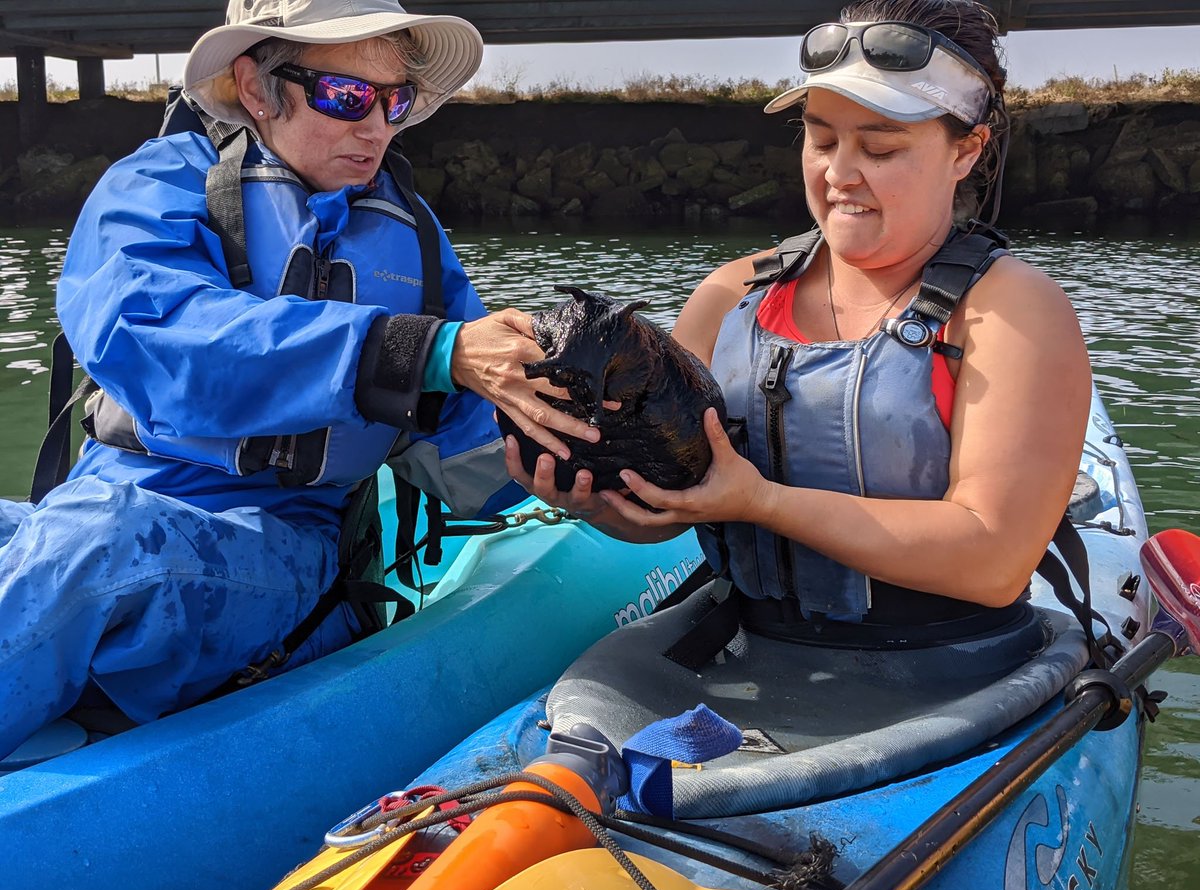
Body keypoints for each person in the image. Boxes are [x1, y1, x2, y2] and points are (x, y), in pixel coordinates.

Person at [0, 0, 601, 759]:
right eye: (348, 97)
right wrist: (410, 350)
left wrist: (573, 461)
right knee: (89, 538)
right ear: (256, 87)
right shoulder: (154, 187)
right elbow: (151, 336)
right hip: (102, 503)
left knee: (94, 554)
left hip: (283, 545)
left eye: (397, 101)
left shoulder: (412, 234)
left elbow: (466, 432)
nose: (378, 126)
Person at [508, 0, 1091, 637]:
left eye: (880, 147)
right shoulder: (732, 294)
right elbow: (677, 510)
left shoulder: (1011, 312)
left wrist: (764, 503)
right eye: (821, 139)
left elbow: (994, 560)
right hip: (749, 647)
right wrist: (596, 497)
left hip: (954, 663)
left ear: (966, 151)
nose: (840, 173)